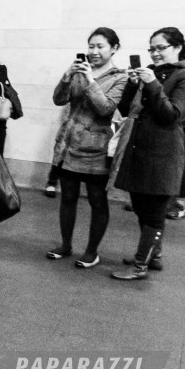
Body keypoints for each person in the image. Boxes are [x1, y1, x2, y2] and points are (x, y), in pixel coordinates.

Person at [110, 27, 185, 280]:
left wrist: (152, 83)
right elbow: (126, 108)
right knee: (139, 205)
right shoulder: (153, 72)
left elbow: (171, 114)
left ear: (177, 47)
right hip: (139, 148)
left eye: (161, 48)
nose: (155, 53)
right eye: (152, 48)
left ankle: (140, 265)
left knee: (155, 211)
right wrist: (133, 83)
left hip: (163, 152)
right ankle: (153, 255)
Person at [45, 28, 128, 268]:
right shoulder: (79, 71)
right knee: (68, 196)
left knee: (97, 200)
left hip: (97, 150)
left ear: (114, 48)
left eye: (100, 46)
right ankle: (66, 244)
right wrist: (67, 76)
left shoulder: (120, 77)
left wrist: (91, 80)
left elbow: (106, 108)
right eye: (91, 46)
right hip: (69, 146)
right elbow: (59, 99)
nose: (93, 51)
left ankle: (92, 251)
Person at [166, 95, 185, 219]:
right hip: (169, 118)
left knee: (183, 164)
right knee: (165, 162)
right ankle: (164, 202)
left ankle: (179, 205)